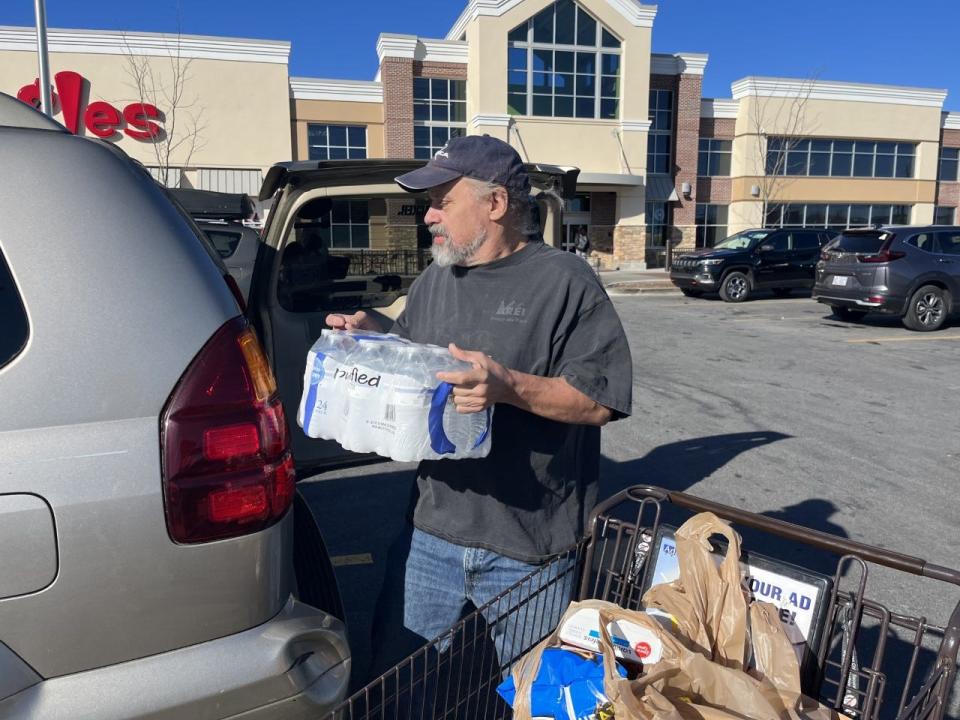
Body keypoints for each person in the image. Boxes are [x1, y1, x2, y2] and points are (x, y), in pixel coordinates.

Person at [326, 135, 632, 668]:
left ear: (495, 204)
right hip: (432, 529)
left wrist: (507, 387)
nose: (427, 217)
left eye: (441, 200)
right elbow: (414, 351)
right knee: (402, 682)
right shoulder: (436, 280)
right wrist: (371, 332)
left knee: (533, 694)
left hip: (530, 547)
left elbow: (598, 400)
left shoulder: (565, 283)